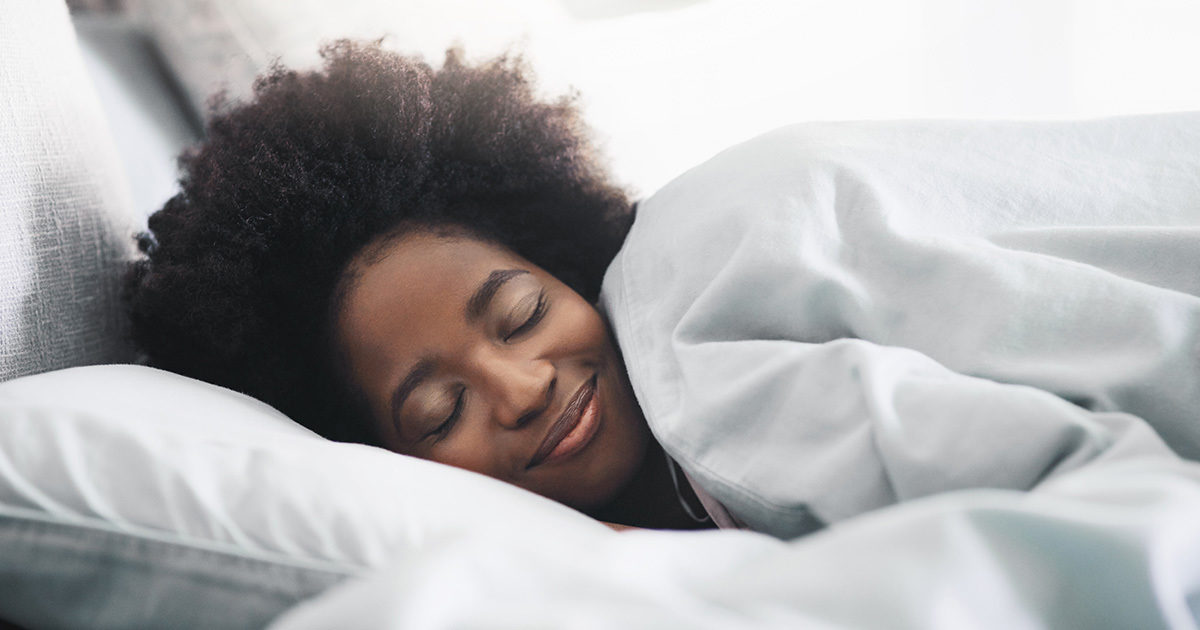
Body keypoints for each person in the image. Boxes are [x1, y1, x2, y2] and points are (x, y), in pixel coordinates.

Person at [125, 41, 1196, 537]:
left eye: (520, 312)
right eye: (438, 409)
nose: (523, 384)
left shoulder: (695, 327)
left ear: (567, 256)